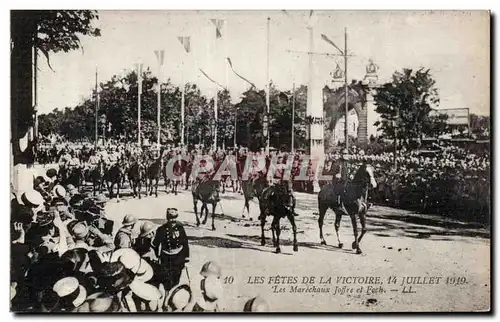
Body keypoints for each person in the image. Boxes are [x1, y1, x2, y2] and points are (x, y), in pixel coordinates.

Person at [151, 208, 189, 292]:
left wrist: (186, 256)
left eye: (174, 218)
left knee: (176, 276)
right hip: (166, 256)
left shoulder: (180, 228)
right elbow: (156, 244)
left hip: (178, 256)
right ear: (167, 218)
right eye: (171, 218)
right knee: (166, 278)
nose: (173, 220)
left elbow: (185, 242)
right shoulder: (161, 229)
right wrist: (157, 256)